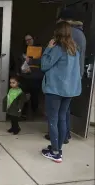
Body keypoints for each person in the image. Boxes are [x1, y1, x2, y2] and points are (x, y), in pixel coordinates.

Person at [41, 21, 81, 163]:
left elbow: (44, 66)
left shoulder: (58, 48)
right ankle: (57, 148)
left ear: (57, 33)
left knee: (53, 119)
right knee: (62, 118)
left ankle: (56, 153)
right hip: (69, 90)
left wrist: (47, 49)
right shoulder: (74, 48)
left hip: (56, 89)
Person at [44, 8, 86, 143]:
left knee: (55, 117)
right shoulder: (80, 36)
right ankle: (64, 137)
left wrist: (48, 49)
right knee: (63, 114)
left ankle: (56, 145)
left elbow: (46, 65)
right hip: (73, 82)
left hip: (59, 83)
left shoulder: (63, 42)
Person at [18, 34, 44, 119]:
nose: (28, 41)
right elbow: (20, 63)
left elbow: (43, 62)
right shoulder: (23, 51)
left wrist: (31, 61)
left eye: (29, 39)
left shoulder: (40, 49)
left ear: (34, 39)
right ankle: (23, 114)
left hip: (36, 77)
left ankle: (34, 113)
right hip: (25, 77)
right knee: (24, 96)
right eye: (26, 40)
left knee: (35, 96)